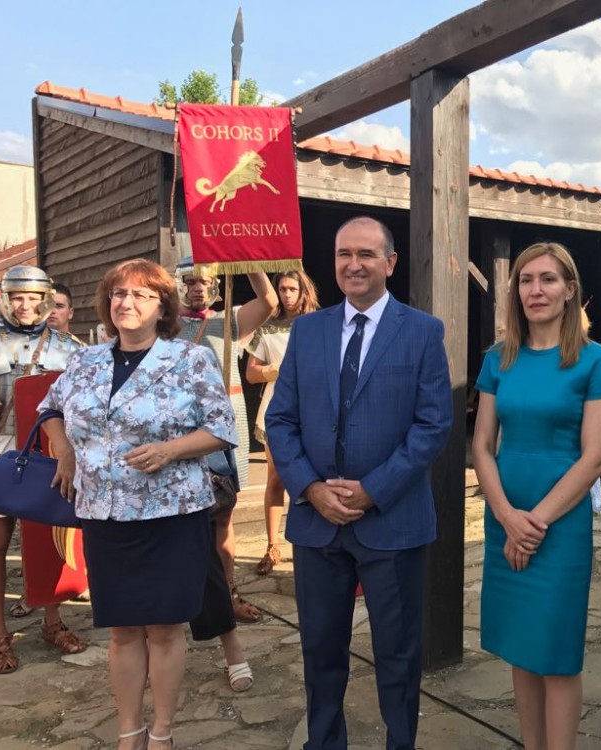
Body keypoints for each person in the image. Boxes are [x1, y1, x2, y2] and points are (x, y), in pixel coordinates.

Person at [266, 216, 452, 750]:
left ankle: (400, 743)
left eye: (366, 254)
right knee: (321, 651)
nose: (353, 264)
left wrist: (374, 489)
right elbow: (280, 420)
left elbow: (433, 424)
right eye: (344, 253)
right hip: (317, 522)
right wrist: (310, 488)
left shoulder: (422, 331)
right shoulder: (308, 331)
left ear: (389, 263)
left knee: (398, 654)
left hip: (392, 520)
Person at [38, 259, 236, 750]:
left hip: (171, 516)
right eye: (119, 294)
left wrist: (170, 450)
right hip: (105, 515)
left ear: (163, 307)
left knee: (165, 630)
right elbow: (50, 407)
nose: (126, 303)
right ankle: (130, 731)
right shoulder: (84, 361)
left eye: (141, 295)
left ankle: (162, 731)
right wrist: (64, 450)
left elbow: (221, 428)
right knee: (123, 630)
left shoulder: (190, 359)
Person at [472, 241, 601, 749]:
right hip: (505, 517)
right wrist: (506, 517)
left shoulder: (595, 361)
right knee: (522, 648)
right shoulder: (498, 359)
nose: (535, 290)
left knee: (556, 656)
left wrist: (531, 522)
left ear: (570, 290)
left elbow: (595, 458)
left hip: (558, 525)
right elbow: (482, 446)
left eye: (548, 279)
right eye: (526, 280)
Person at [0, 265, 86, 675]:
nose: (25, 305)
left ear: (46, 299)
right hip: (2, 450)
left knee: (50, 538)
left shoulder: (69, 347)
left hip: (51, 452)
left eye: (33, 298)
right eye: (18, 297)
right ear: (6, 298)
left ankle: (52, 621)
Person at [174, 257, 276, 623]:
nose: (197, 288)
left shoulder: (228, 320)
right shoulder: (164, 324)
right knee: (181, 518)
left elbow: (269, 302)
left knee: (223, 514)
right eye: (190, 281)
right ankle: (185, 594)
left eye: (204, 281)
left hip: (224, 427)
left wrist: (244, 258)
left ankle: (228, 593)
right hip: (181, 430)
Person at [246, 269, 319, 575]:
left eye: (292, 289)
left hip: (314, 412)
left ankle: (313, 544)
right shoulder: (267, 327)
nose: (287, 295)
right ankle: (272, 545)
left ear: (304, 291)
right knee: (276, 478)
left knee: (315, 478)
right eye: (282, 289)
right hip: (277, 411)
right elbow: (251, 373)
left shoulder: (320, 325)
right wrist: (274, 371)